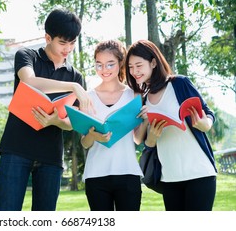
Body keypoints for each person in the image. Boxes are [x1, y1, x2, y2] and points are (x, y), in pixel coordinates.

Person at [0, 8, 91, 211]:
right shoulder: (27, 56)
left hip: (50, 157)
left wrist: (56, 121)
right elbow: (29, 81)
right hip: (16, 149)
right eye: (62, 42)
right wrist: (72, 87)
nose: (68, 48)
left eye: (72, 43)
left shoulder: (76, 75)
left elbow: (72, 122)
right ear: (48, 37)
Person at [125, 39, 217, 211]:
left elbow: (208, 113)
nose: (134, 71)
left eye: (138, 65)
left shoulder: (179, 83)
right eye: (130, 67)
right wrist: (151, 137)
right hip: (170, 178)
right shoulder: (141, 98)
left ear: (153, 62)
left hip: (200, 172)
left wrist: (205, 124)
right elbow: (143, 141)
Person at [81, 40, 145, 211]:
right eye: (99, 65)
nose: (104, 70)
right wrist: (93, 136)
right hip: (96, 175)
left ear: (120, 64)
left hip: (127, 171)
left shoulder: (134, 94)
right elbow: (85, 143)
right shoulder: (88, 97)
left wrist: (144, 120)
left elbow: (138, 139)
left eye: (110, 64)